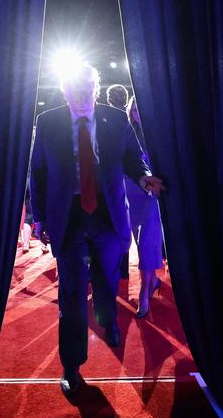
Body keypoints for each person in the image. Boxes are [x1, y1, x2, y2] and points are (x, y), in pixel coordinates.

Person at [30, 64, 164, 397]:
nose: (81, 97)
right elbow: (38, 172)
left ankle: (109, 319)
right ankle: (72, 365)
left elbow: (133, 158)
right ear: (63, 92)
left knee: (107, 278)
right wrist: (39, 218)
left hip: (108, 213)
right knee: (72, 292)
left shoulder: (116, 119)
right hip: (69, 216)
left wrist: (143, 176)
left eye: (87, 90)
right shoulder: (48, 122)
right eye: (73, 91)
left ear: (95, 87)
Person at [125, 96, 165, 317]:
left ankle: (144, 292)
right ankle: (152, 281)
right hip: (130, 196)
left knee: (147, 242)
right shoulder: (126, 134)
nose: (138, 114)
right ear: (130, 112)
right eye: (135, 110)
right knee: (141, 244)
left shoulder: (158, 135)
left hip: (151, 196)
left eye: (142, 110)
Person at [105, 83, 131, 278]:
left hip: (113, 177)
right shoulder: (129, 117)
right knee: (124, 221)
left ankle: (112, 266)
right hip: (129, 176)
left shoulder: (104, 118)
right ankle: (122, 269)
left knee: (111, 220)